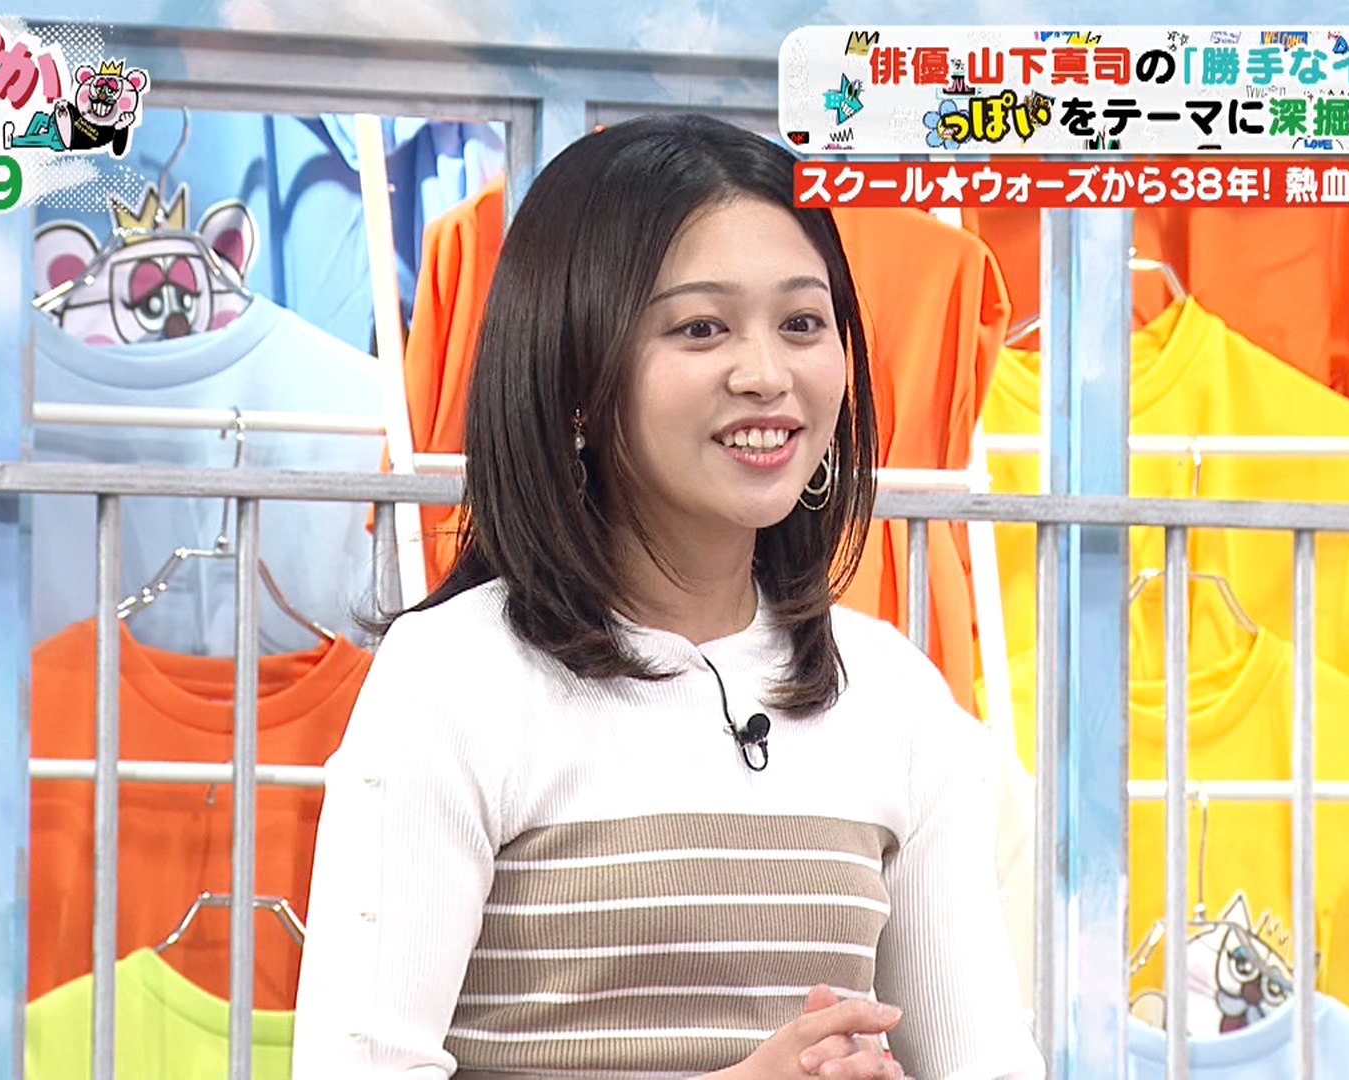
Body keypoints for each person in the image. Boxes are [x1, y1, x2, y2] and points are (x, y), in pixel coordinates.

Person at [292, 113, 1044, 1080]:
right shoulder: (454, 679)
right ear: (575, 377)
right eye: (701, 329)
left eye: (802, 323)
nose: (767, 375)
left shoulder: (894, 698)